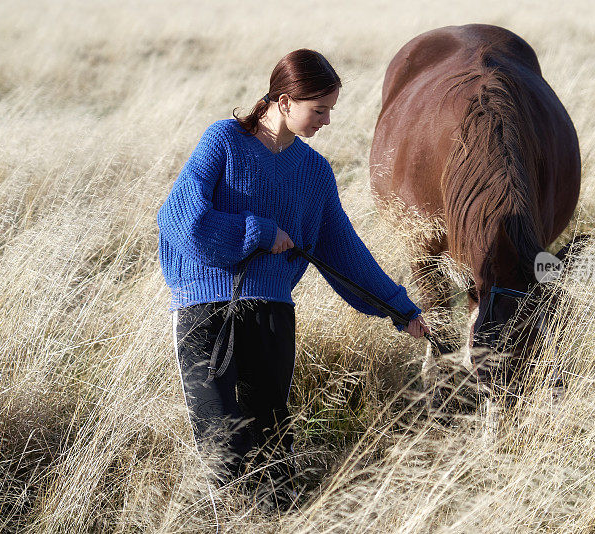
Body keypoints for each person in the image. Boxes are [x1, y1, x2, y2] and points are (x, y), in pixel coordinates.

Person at [157, 48, 428, 513]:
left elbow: (344, 251)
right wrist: (258, 231)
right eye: (318, 109)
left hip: (271, 314)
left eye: (330, 110)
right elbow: (179, 219)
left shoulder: (314, 173)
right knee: (220, 445)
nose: (326, 121)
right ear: (283, 102)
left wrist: (399, 308)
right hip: (206, 311)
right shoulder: (223, 141)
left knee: (272, 448)